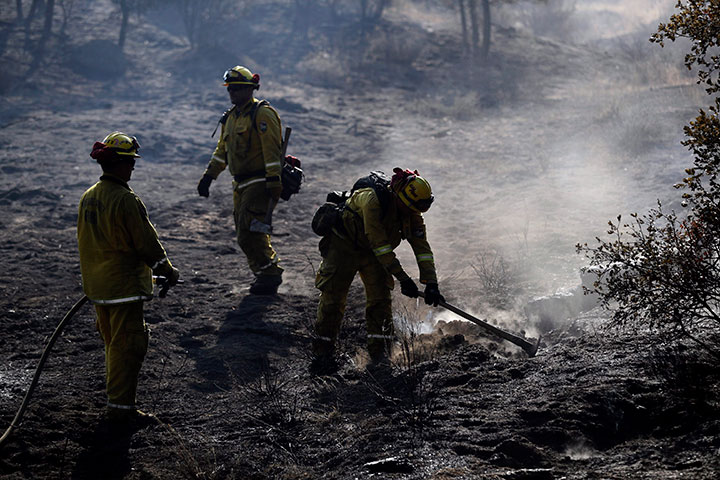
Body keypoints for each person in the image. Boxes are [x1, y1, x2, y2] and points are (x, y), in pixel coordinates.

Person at [78, 132, 180, 423]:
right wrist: (167, 271)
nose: (133, 167)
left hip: (98, 288)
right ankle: (122, 411)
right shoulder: (125, 200)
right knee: (128, 346)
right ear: (119, 164)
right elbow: (147, 244)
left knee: (112, 344)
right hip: (123, 288)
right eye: (130, 162)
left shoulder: (89, 196)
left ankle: (116, 401)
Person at [311, 168, 445, 374]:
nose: (412, 214)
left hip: (374, 254)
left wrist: (431, 283)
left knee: (380, 301)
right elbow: (380, 244)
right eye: (410, 208)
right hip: (343, 246)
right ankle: (323, 355)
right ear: (399, 196)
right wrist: (403, 278)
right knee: (333, 298)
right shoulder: (371, 201)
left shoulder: (411, 211)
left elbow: (422, 248)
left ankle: (380, 356)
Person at [197, 65, 285, 295]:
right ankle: (265, 273)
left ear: (250, 89)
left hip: (260, 182)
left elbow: (272, 151)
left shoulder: (262, 114)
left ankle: (269, 274)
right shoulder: (230, 118)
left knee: (248, 233)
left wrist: (274, 183)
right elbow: (221, 151)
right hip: (240, 184)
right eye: (230, 89)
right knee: (248, 233)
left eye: (237, 89)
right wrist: (209, 176)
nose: (232, 93)